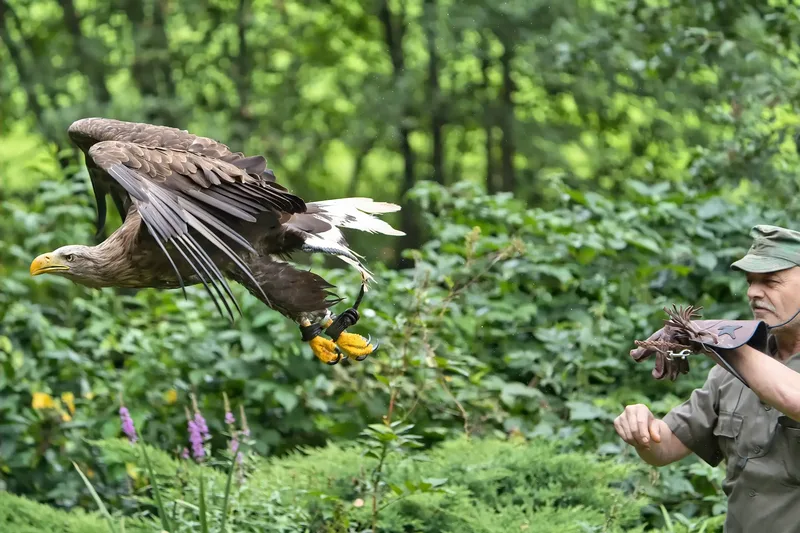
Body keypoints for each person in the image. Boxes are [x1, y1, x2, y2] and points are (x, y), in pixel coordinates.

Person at [614, 225, 800, 532]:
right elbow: (665, 448)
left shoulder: (737, 359)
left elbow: (792, 397)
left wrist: (716, 339)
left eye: (770, 281)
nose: (753, 292)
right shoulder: (729, 373)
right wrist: (642, 429)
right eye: (750, 282)